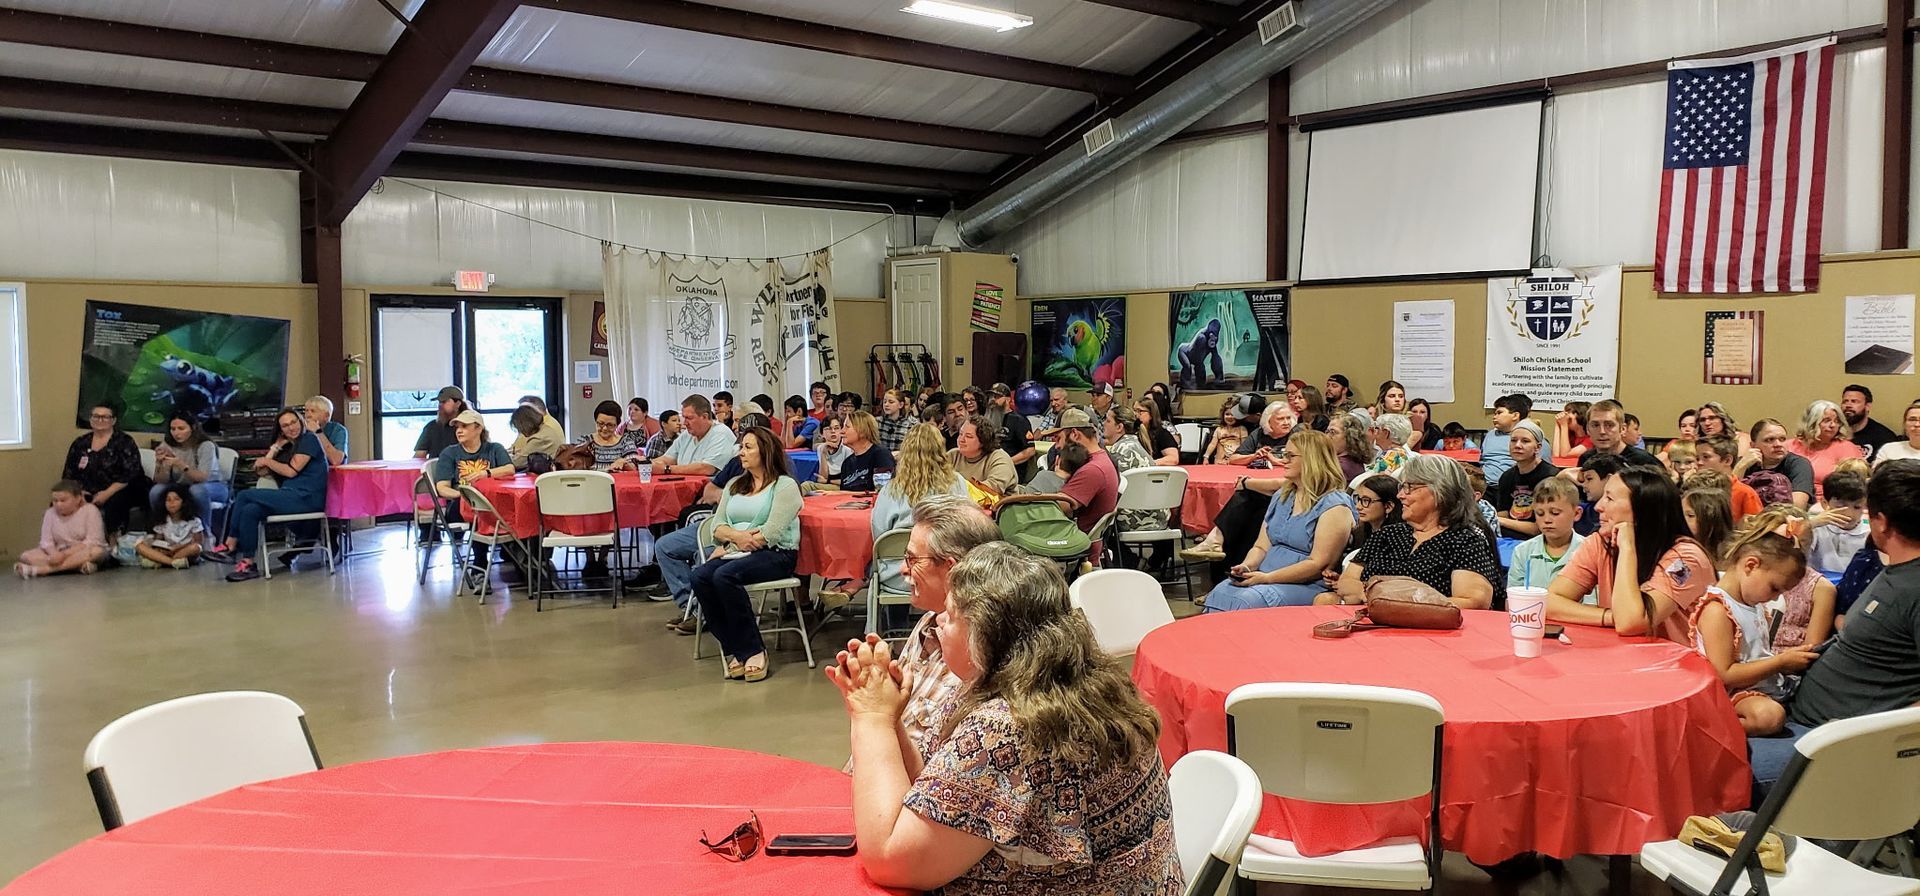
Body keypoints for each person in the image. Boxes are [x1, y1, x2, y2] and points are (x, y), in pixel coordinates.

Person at [827, 542, 1181, 895]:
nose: (937, 621)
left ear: (983, 636)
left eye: (950, 615)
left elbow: (892, 861)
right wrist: (890, 721)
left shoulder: (1007, 726)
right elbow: (938, 791)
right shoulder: (1077, 678)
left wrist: (869, 715)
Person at [1546, 466, 1714, 644]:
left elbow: (1630, 622)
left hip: (1681, 665)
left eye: (1609, 498)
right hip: (1624, 656)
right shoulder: (1601, 542)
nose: (1598, 506)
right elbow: (1550, 602)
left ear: (1642, 511)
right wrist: (1610, 616)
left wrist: (1627, 548)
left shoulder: (1686, 559)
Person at [692, 426, 802, 683]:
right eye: (741, 447)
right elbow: (716, 527)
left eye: (748, 447)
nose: (741, 452)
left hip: (777, 554)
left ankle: (753, 650)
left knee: (724, 576)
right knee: (700, 577)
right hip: (737, 550)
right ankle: (735, 647)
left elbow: (772, 532)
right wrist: (735, 539)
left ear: (765, 451)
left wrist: (734, 540)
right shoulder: (734, 485)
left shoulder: (785, 486)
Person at [1691, 517, 1820, 735]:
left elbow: (1756, 653)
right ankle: (1707, 730)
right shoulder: (1718, 610)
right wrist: (1779, 662)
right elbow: (1725, 674)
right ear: (1751, 565)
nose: (1775, 597)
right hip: (1733, 692)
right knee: (1770, 717)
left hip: (1761, 685)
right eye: (1774, 588)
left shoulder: (1751, 601)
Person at [1204, 432, 1355, 612]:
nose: (1284, 461)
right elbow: (1261, 547)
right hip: (1264, 575)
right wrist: (1247, 566)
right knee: (1220, 591)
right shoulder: (1283, 495)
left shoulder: (1335, 506)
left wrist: (1267, 578)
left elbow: (1317, 564)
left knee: (1246, 600)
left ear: (1312, 460)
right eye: (1285, 454)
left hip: (1306, 584)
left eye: (1291, 456)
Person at [1327, 455, 1501, 610]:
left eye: (1409, 487)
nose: (1401, 495)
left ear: (1440, 492)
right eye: (1401, 487)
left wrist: (1391, 600)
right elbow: (1347, 583)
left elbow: (1473, 602)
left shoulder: (1465, 541)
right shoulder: (1387, 534)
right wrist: (1374, 598)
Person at [205, 408, 330, 582]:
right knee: (250, 510)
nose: (291, 428)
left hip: (307, 498)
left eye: (293, 422)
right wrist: (275, 448)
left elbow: (292, 471)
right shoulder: (288, 448)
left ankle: (230, 544)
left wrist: (267, 460)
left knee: (244, 495)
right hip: (290, 496)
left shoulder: (309, 439)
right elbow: (261, 471)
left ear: (301, 421)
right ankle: (248, 562)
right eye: (285, 426)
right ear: (280, 431)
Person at [863, 425, 972, 601]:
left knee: (877, 564)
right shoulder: (957, 483)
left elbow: (879, 535)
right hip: (944, 573)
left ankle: (894, 626)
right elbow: (966, 527)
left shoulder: (890, 490)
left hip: (898, 575)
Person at [62, 403, 148, 535]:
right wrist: (79, 492)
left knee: (115, 502)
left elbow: (130, 473)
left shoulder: (124, 441)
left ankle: (112, 544)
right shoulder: (80, 442)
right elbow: (69, 473)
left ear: (113, 420)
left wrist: (107, 493)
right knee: (62, 500)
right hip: (86, 489)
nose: (99, 420)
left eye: (105, 417)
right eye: (96, 416)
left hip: (120, 489)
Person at [1046, 409, 1120, 540]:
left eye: (1059, 438)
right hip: (1074, 537)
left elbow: (1056, 508)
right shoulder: (1099, 460)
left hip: (1073, 543)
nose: (1056, 446)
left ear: (1074, 434)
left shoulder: (1093, 469)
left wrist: (1057, 477)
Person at [148, 414, 226, 537]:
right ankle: (164, 531)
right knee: (156, 491)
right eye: (173, 429)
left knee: (196, 490)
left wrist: (180, 464)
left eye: (181, 428)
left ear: (193, 428)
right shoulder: (167, 445)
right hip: (182, 486)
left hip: (212, 486)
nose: (176, 433)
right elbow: (160, 480)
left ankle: (205, 534)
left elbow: (202, 478)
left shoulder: (205, 446)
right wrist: (160, 464)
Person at [1507, 477, 1586, 595]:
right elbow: (1512, 600)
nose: (1547, 520)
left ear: (1576, 513)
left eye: (1555, 513)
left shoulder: (1588, 551)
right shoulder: (1523, 551)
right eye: (1540, 514)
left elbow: (1591, 604)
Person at [15, 481, 109, 578]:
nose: (58, 504)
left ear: (77, 498)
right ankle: (77, 566)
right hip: (58, 551)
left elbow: (93, 541)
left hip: (81, 550)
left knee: (96, 552)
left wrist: (64, 555)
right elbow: (46, 542)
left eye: (63, 500)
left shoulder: (90, 510)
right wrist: (54, 554)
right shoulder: (49, 513)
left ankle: (42, 570)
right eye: (55, 501)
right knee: (26, 556)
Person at [433, 408, 514, 509]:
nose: (459, 431)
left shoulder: (495, 448)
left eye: (464, 426)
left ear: (479, 428)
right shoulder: (449, 453)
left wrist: (485, 473)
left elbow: (510, 469)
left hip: (493, 502)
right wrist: (466, 497)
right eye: (457, 427)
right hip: (462, 504)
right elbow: (442, 488)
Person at [1787, 399, 1864, 501]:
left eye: (1837, 421)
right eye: (1826, 420)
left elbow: (1856, 487)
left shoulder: (1847, 448)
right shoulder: (1789, 446)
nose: (1833, 425)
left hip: (1828, 503)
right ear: (1811, 422)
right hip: (1788, 500)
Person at [1494, 420, 1558, 538]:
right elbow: (1503, 514)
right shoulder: (1506, 477)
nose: (1517, 445)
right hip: (1509, 535)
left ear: (1538, 448)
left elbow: (1539, 528)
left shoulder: (1551, 477)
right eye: (1513, 440)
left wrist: (1497, 520)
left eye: (1525, 441)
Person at [1736, 418, 1815, 509]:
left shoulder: (1799, 464)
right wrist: (1740, 467)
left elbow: (1797, 506)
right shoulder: (1743, 463)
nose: (1778, 444)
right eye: (1769, 440)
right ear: (1753, 445)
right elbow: (1725, 499)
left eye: (1782, 439)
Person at [651, 395, 737, 478]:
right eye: (684, 418)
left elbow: (707, 468)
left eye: (689, 418)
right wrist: (646, 465)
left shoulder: (721, 433)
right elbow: (668, 458)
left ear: (704, 417)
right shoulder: (687, 434)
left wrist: (667, 469)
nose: (684, 423)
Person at [1808, 470, 1871, 574]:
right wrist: (1810, 525)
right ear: (1824, 503)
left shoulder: (1870, 533)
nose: (1849, 514)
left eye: (1857, 507)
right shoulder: (1816, 528)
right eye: (1840, 506)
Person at [820, 411, 895, 493]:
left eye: (847, 427)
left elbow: (883, 493)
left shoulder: (881, 455)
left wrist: (840, 494)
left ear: (862, 431)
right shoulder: (847, 463)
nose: (842, 431)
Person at [134, 483, 204, 570]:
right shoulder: (162, 520)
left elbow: (198, 542)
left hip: (183, 551)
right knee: (139, 545)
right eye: (168, 500)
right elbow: (158, 540)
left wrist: (179, 547)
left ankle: (160, 560)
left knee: (195, 548)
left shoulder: (194, 521)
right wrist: (160, 548)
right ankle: (172, 562)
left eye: (176, 499)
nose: (172, 503)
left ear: (184, 502)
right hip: (168, 551)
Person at [1695, 435, 1764, 520]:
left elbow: (1756, 529)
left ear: (1727, 460)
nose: (1699, 463)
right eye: (1697, 458)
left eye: (1706, 457)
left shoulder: (1745, 493)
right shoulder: (1694, 491)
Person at [1582, 400, 1664, 468]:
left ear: (1622, 429)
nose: (1602, 431)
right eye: (1595, 425)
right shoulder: (1586, 458)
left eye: (1609, 425)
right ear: (1588, 429)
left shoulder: (1644, 461)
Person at [949, 415, 1018, 495]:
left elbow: (992, 489)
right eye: (960, 434)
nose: (961, 440)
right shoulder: (953, 455)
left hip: (1001, 505)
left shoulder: (999, 458)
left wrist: (957, 490)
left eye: (968, 436)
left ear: (983, 441)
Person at [577, 400, 645, 471]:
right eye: (600, 423)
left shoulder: (626, 442)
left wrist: (624, 463)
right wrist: (608, 469)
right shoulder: (584, 442)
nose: (605, 428)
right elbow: (578, 469)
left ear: (617, 425)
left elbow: (633, 469)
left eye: (610, 425)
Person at [1227, 402, 1295, 469]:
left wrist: (1274, 460)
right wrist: (1255, 456)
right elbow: (1233, 459)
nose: (1286, 423)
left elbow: (1302, 461)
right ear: (1268, 421)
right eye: (1280, 419)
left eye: (1288, 418)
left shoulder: (1297, 433)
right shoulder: (1258, 433)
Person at [1841, 384, 1898, 461]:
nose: (1848, 405)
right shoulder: (1834, 431)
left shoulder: (1884, 437)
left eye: (1854, 401)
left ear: (1867, 406)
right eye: (1845, 401)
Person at [1682, 485, 1735, 564]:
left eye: (1690, 516)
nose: (1682, 520)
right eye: (1680, 514)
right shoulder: (1680, 548)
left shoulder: (1731, 558)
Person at [412, 386, 468, 460]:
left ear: (457, 403)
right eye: (439, 402)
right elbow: (419, 456)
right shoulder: (431, 427)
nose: (440, 405)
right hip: (436, 470)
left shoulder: (471, 426)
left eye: (444, 402)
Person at [508, 403, 567, 470]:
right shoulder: (546, 429)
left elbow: (517, 463)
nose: (520, 432)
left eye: (519, 429)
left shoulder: (539, 439)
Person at [1362, 413, 1416, 478]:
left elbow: (1369, 480)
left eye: (1377, 428)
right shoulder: (1403, 453)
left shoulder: (1390, 456)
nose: (1374, 432)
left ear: (1386, 433)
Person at [1132, 396, 1179, 466]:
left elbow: (1173, 459)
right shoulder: (1131, 432)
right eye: (1134, 410)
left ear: (1151, 414)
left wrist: (1150, 463)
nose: (1135, 414)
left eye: (1140, 411)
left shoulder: (1162, 434)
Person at [303, 395, 349, 466]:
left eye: (313, 411)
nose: (308, 415)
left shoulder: (338, 430)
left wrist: (318, 432)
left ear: (326, 416)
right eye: (306, 411)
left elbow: (336, 460)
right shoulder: (301, 429)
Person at [1327, 411, 1373, 481]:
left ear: (1350, 437)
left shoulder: (1341, 468)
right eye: (1327, 432)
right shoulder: (1351, 461)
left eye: (1333, 432)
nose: (1327, 437)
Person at [1873, 400, 1920, 467]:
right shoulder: (1888, 449)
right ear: (1904, 424)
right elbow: (1878, 476)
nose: (1917, 424)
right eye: (1912, 419)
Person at [1203, 397, 1249, 464]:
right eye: (1227, 414)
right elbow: (1212, 444)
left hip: (1235, 460)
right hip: (1220, 460)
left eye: (1233, 414)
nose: (1230, 417)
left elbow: (1244, 447)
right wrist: (1206, 457)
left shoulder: (1241, 429)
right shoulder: (1219, 429)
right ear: (1223, 415)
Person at [877, 388, 919, 454]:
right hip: (882, 461)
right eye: (884, 402)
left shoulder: (912, 424)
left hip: (903, 460)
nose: (886, 405)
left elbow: (915, 449)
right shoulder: (877, 422)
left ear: (901, 405)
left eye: (891, 402)